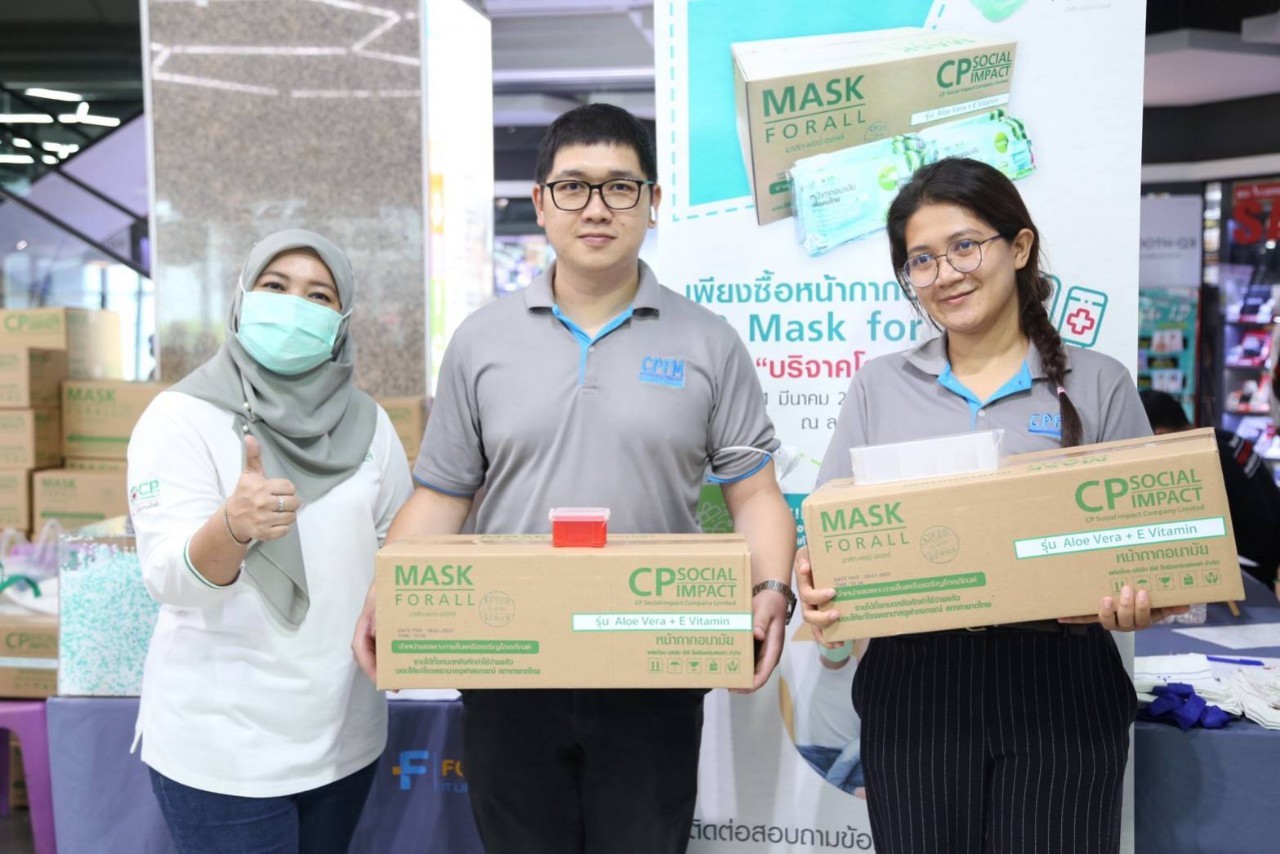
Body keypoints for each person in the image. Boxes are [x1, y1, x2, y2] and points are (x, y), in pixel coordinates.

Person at [351, 103, 797, 854]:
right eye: (573, 187)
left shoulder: (709, 342)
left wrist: (771, 590)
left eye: (620, 187)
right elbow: (442, 495)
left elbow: (754, 494)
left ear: (653, 202)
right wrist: (386, 591)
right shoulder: (481, 341)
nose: (596, 208)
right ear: (539, 202)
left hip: (653, 665)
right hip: (508, 660)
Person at [795, 158, 1189, 854]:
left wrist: (1146, 597)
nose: (945, 273)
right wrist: (814, 579)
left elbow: (1155, 551)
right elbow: (829, 538)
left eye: (964, 246)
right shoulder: (879, 387)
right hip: (913, 681)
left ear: (1020, 246)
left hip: (1062, 680)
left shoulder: (1098, 383)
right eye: (921, 259)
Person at [127, 230, 413, 853]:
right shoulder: (181, 417)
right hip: (222, 746)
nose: (294, 308)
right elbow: (167, 579)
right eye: (275, 287)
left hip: (342, 734)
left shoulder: (370, 425)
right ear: (242, 297)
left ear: (342, 320)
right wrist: (231, 527)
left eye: (319, 296)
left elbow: (397, 544)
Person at [1140, 388, 1280, 593]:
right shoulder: (1225, 439)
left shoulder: (1201, 462)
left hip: (1248, 577)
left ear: (1159, 434)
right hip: (1266, 560)